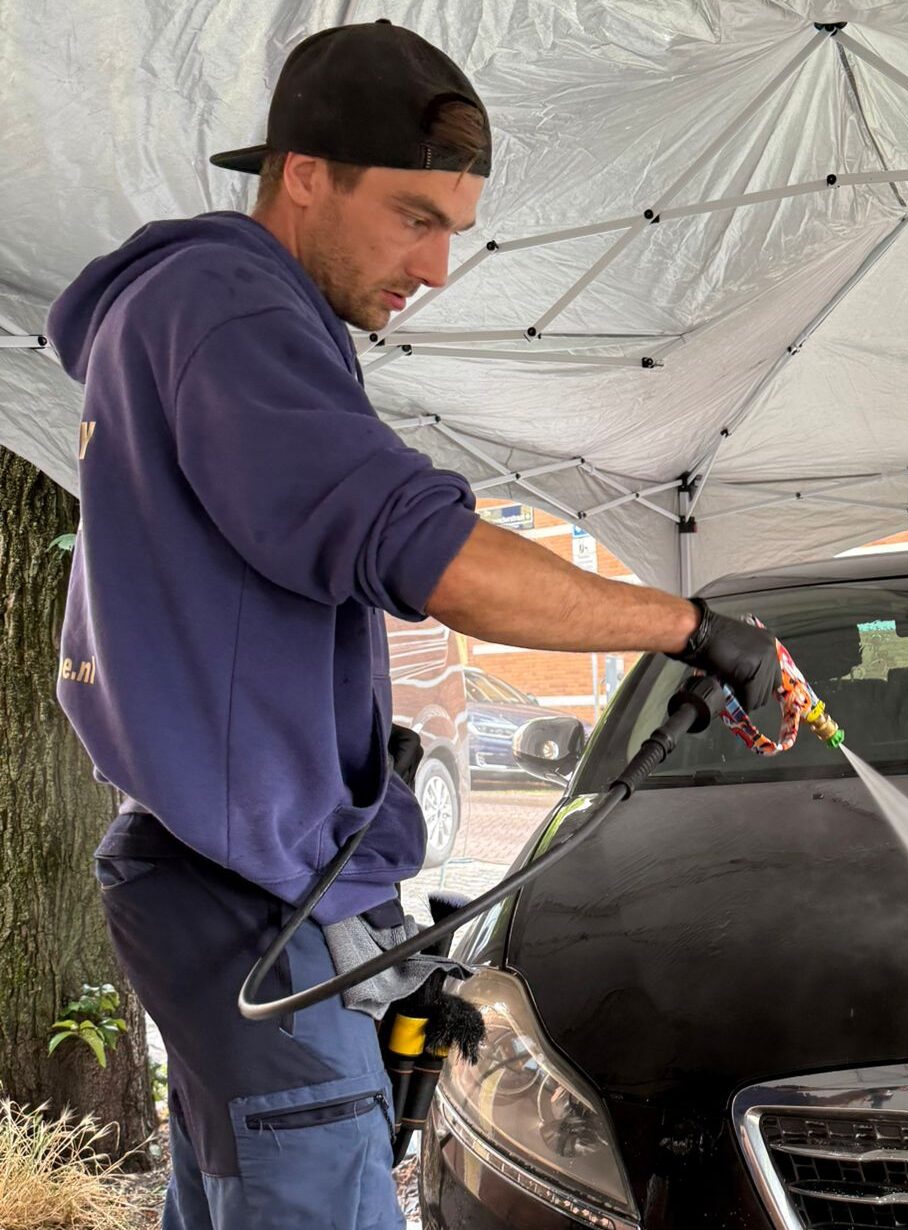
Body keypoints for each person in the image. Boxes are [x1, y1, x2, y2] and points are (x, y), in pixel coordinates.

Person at [45, 21, 778, 1229]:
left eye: (452, 229)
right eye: (412, 218)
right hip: (251, 898)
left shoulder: (182, 313)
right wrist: (688, 626)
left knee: (237, 1195)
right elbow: (423, 551)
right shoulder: (231, 311)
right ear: (303, 174)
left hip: (213, 882)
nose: (435, 269)